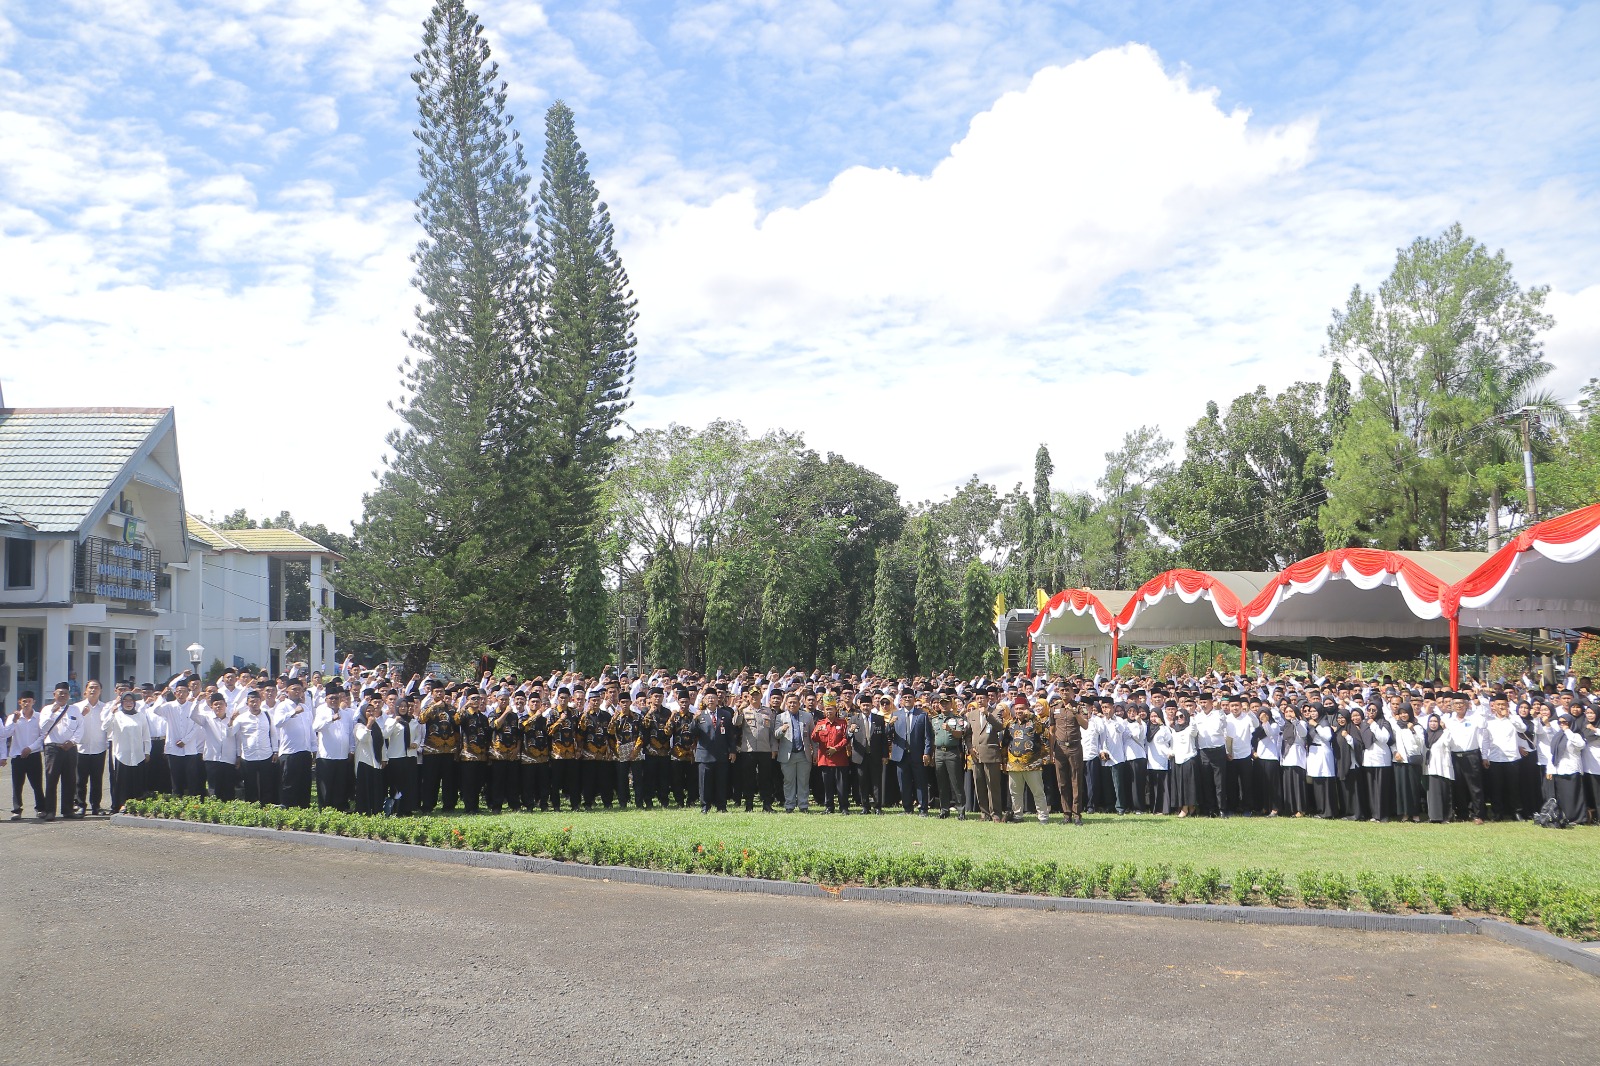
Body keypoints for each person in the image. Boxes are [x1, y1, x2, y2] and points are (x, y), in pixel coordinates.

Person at [39, 682, 83, 820]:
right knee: (51, 780)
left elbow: (80, 727)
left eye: (65, 693)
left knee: (70, 780)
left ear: (69, 695)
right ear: (54, 694)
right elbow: (42, 728)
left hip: (70, 749)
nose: (62, 695)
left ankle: (68, 810)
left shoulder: (74, 710)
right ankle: (50, 811)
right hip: (53, 749)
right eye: (60, 692)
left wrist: (72, 742)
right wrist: (52, 713)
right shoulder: (46, 709)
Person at [1003, 698, 1051, 824]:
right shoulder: (1010, 724)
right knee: (1015, 792)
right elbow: (1005, 743)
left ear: (1028, 708)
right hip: (1013, 764)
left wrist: (1046, 758)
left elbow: (1044, 736)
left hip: (1032, 764)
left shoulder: (1036, 722)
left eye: (1022, 708)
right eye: (1017, 708)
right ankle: (1018, 815)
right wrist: (1003, 761)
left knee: (1038, 792)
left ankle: (1043, 817)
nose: (1019, 711)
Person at [105, 691, 152, 812]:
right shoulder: (117, 715)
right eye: (125, 701)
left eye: (131, 701)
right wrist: (111, 712)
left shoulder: (140, 716)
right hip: (122, 755)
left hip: (138, 755)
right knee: (122, 782)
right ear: (121, 703)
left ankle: (136, 805)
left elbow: (146, 735)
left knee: (137, 780)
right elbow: (105, 727)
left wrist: (147, 751)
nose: (128, 703)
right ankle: (121, 804)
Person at [273, 679, 317, 808]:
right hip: (290, 752)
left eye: (300, 689)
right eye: (295, 689)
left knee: (304, 783)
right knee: (289, 783)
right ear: (287, 691)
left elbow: (310, 729)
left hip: (305, 751)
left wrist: (314, 748)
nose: (298, 692)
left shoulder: (305, 708)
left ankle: (303, 808)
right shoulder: (282, 706)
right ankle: (287, 808)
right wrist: (293, 712)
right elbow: (278, 723)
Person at [692, 687, 736, 813]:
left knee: (721, 781)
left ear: (718, 700)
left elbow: (730, 735)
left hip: (721, 754)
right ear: (704, 700)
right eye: (708, 698)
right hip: (704, 754)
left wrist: (732, 751)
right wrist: (694, 720)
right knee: (704, 782)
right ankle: (705, 806)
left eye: (713, 698)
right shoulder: (700, 715)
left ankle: (721, 806)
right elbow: (692, 733)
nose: (711, 700)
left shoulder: (726, 715)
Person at [889, 694, 934, 816]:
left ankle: (923, 809)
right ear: (901, 700)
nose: (907, 699)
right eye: (905, 697)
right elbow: (888, 735)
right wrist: (890, 725)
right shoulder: (895, 714)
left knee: (921, 782)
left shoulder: (922, 715)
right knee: (904, 783)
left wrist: (927, 752)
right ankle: (907, 808)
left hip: (917, 754)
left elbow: (928, 737)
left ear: (914, 699)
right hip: (901, 755)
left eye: (910, 697)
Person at [230, 690, 277, 804]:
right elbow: (230, 734)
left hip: (266, 754)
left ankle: (266, 807)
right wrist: (231, 719)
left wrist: (275, 751)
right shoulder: (241, 718)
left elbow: (273, 733)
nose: (254, 704)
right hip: (248, 757)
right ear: (247, 704)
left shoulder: (267, 715)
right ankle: (252, 807)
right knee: (250, 784)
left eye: (257, 701)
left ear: (261, 702)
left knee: (266, 783)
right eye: (252, 702)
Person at [192, 693, 241, 801]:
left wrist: (238, 756)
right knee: (213, 788)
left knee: (228, 788)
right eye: (216, 704)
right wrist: (197, 701)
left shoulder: (233, 719)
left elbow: (238, 738)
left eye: (221, 704)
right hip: (212, 758)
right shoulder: (207, 719)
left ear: (226, 705)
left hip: (229, 759)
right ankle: (214, 810)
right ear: (211, 706)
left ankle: (228, 811)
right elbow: (193, 715)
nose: (219, 706)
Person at [312, 683, 353, 811]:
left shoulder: (346, 714)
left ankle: (340, 807)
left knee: (340, 784)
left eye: (336, 698)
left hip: (342, 755)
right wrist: (331, 719)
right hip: (326, 756)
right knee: (326, 785)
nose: (334, 701)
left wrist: (351, 749)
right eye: (331, 698)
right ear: (326, 700)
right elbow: (316, 727)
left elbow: (350, 733)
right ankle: (325, 809)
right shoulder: (322, 712)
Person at [72, 680, 110, 815]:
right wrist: (81, 715)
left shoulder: (105, 707)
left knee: (97, 779)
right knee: (80, 780)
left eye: (96, 688)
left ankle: (96, 806)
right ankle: (80, 805)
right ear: (85, 691)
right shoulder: (76, 707)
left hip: (99, 748)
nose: (93, 690)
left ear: (101, 691)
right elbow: (71, 726)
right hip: (81, 748)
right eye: (91, 688)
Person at [970, 696, 1009, 823]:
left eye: (982, 698)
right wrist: (970, 748)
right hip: (976, 754)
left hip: (991, 753)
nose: (980, 700)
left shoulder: (995, 711)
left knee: (993, 785)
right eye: (978, 698)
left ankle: (996, 813)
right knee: (979, 784)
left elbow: (999, 727)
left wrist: (987, 714)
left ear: (987, 699)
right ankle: (984, 813)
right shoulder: (971, 714)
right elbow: (967, 734)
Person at [7, 693, 46, 819]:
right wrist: (14, 721)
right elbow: (6, 733)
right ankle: (17, 810)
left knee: (37, 784)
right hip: (18, 756)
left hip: (33, 755)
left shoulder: (39, 717)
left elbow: (43, 735)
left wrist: (31, 748)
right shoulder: (13, 717)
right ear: (20, 702)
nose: (26, 704)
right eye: (24, 701)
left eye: (29, 701)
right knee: (17, 785)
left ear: (33, 702)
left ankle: (40, 808)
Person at [773, 692, 813, 813]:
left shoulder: (807, 716)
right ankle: (789, 805)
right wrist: (781, 729)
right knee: (788, 781)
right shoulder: (780, 717)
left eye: (794, 702)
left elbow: (813, 736)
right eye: (790, 702)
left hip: (803, 754)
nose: (792, 704)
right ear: (786, 703)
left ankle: (803, 805)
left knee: (803, 781)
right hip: (787, 755)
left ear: (799, 703)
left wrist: (815, 752)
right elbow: (775, 735)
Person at [930, 696, 968, 819]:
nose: (944, 705)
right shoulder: (935, 720)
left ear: (951, 705)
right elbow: (931, 738)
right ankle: (944, 810)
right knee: (942, 782)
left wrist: (950, 730)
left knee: (956, 782)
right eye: (942, 703)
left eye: (946, 703)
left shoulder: (957, 719)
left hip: (952, 752)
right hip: (939, 752)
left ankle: (961, 810)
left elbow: (960, 735)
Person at [850, 696, 889, 814]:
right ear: (860, 706)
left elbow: (883, 739)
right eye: (863, 705)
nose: (866, 707)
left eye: (868, 705)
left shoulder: (879, 719)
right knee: (862, 782)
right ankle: (865, 807)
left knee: (877, 782)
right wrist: (850, 731)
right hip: (860, 756)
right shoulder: (854, 719)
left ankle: (877, 807)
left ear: (872, 706)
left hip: (875, 755)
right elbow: (847, 737)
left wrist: (885, 755)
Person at [1165, 708, 1199, 818]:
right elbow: (1173, 745)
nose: (1179, 719)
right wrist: (1171, 752)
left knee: (1190, 786)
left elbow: (1194, 730)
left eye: (1181, 716)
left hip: (1189, 758)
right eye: (1177, 717)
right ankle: (1184, 807)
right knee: (1181, 786)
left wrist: (1192, 716)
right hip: (1178, 760)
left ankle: (1191, 807)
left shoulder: (1190, 728)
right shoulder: (1174, 730)